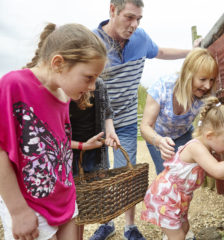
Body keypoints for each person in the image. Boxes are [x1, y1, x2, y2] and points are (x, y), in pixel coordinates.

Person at [92, 0, 200, 239]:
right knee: (97, 174)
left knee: (126, 173)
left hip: (127, 120)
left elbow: (160, 52)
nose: (134, 24)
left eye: (138, 19)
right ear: (112, 10)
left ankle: (130, 226)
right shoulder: (91, 42)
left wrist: (192, 53)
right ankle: (105, 222)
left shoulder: (140, 39)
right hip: (95, 121)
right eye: (129, 17)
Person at [0, 23, 107, 240]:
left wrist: (82, 146)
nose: (93, 87)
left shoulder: (63, 94)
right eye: (89, 77)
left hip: (65, 198)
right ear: (58, 63)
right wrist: (18, 210)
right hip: (29, 205)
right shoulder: (13, 85)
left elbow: (55, 144)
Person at [141, 96, 224, 240]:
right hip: (165, 197)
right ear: (209, 135)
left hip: (178, 199)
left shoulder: (206, 147)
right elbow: (218, 170)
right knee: (178, 235)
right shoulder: (196, 148)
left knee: (184, 229)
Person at [140, 47, 220, 175]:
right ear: (188, 75)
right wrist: (159, 141)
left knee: (186, 175)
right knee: (166, 176)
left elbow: (219, 122)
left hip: (184, 135)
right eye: (203, 79)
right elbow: (145, 126)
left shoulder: (205, 95)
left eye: (211, 80)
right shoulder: (162, 87)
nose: (208, 86)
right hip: (158, 136)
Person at [70, 78, 120, 240]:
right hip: (69, 152)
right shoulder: (61, 89)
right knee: (72, 202)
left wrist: (110, 131)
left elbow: (107, 113)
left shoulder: (98, 85)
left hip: (95, 151)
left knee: (84, 200)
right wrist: (81, 146)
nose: (91, 84)